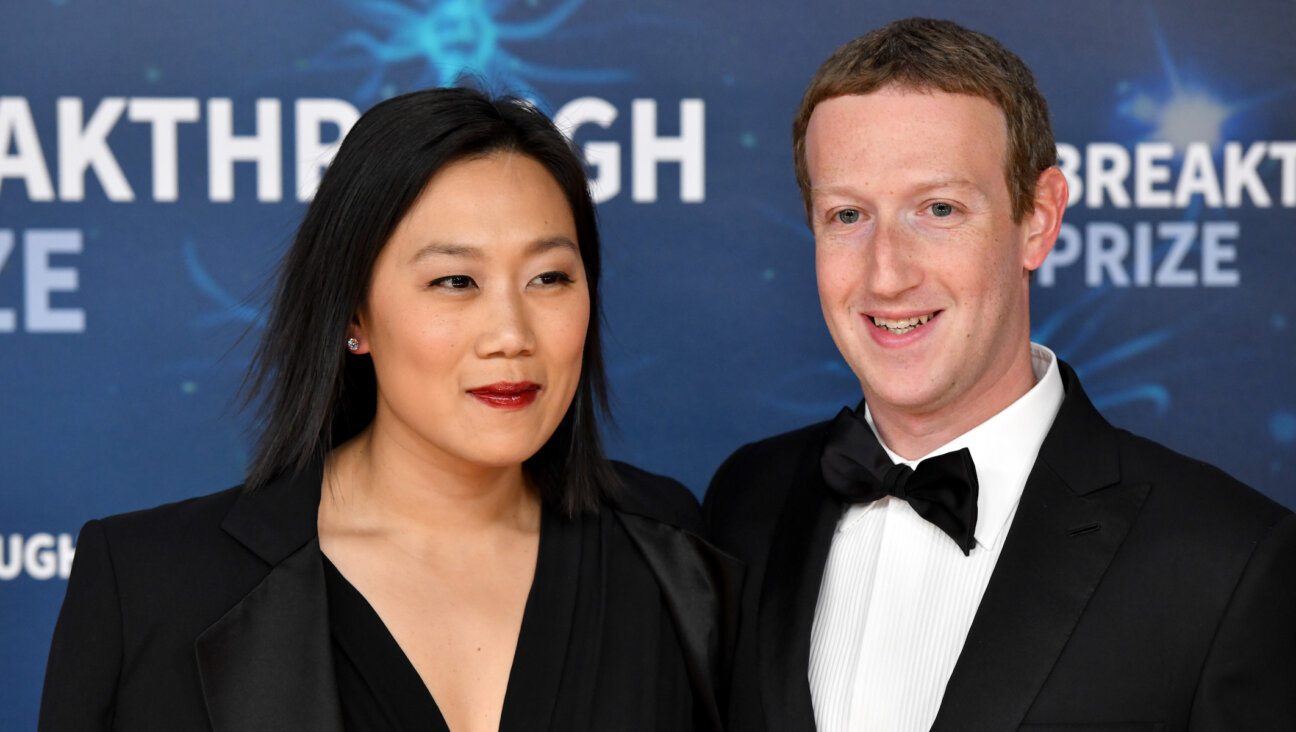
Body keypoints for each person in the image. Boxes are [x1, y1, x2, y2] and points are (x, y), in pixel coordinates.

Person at [39, 87, 738, 732]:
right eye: (455, 281)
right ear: (354, 315)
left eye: (550, 277)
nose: (511, 336)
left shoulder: (673, 554)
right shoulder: (151, 586)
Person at [704, 17, 1296, 732]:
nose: (886, 273)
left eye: (940, 209)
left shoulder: (1225, 562)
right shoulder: (746, 503)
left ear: (1038, 219)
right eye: (849, 214)